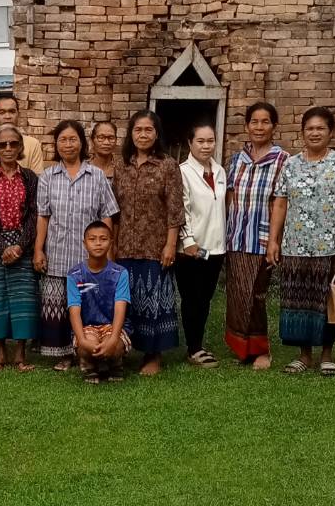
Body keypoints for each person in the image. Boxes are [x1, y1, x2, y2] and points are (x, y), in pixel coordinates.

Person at [266, 106, 335, 376]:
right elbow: (280, 204)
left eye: (320, 128)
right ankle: (303, 354)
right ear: (302, 132)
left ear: (330, 132)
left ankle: (327, 354)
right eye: (310, 128)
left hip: (328, 247)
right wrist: (273, 240)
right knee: (298, 301)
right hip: (295, 246)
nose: (314, 133)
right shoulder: (290, 165)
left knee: (327, 302)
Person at [34, 119, 119, 371]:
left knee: (88, 305)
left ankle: (89, 350)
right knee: (59, 307)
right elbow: (43, 215)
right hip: (58, 252)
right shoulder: (49, 176)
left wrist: (107, 251)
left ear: (82, 143)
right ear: (56, 144)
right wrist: (39, 249)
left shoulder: (97, 176)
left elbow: (107, 215)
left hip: (88, 256)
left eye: (73, 139)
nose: (68, 144)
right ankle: (63, 353)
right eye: (63, 140)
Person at [112, 109, 184, 376]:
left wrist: (170, 244)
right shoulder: (122, 166)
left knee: (153, 300)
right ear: (131, 134)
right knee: (126, 300)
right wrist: (113, 244)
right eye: (138, 130)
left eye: (148, 130)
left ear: (156, 134)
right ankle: (123, 349)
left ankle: (153, 354)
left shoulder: (167, 165)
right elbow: (114, 208)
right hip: (125, 246)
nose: (143, 135)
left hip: (155, 247)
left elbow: (175, 209)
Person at [224, 102, 288, 370]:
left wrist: (274, 240)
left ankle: (262, 350)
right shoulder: (237, 159)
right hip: (236, 237)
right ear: (246, 126)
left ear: (274, 126)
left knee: (256, 295)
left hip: (262, 240)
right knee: (238, 295)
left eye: (265, 122)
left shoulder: (282, 160)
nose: (259, 127)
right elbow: (228, 197)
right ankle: (242, 348)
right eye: (254, 122)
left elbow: (279, 202)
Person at [0, 123, 39, 372]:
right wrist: (3, 246)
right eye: (2, 144)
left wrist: (20, 247)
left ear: (21, 147)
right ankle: (0, 354)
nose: (8, 148)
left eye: (13, 143)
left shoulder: (30, 178)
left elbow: (35, 215)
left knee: (23, 300)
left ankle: (21, 355)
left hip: (23, 246)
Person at [176, 121, 227, 367]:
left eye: (210, 141)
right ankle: (193, 348)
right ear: (190, 143)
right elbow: (181, 209)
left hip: (215, 248)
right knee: (192, 298)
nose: (206, 146)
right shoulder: (183, 171)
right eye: (200, 141)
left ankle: (198, 343)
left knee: (205, 299)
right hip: (192, 250)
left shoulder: (219, 171)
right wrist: (188, 241)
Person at [67, 220, 131, 384]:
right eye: (92, 239)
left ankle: (115, 364)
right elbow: (74, 310)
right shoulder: (74, 274)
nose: (98, 243)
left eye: (103, 239)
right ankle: (89, 366)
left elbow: (120, 309)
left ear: (111, 242)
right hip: (87, 328)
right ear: (84, 243)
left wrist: (113, 339)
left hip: (111, 326)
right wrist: (82, 340)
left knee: (114, 345)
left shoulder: (119, 273)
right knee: (88, 344)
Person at [0, 94, 46, 172]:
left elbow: (37, 178)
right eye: (2, 112)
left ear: (18, 115)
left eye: (12, 112)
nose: (7, 116)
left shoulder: (33, 144)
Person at [89, 119, 119, 195]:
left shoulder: (121, 169)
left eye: (111, 138)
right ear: (92, 141)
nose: (106, 142)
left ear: (116, 141)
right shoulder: (83, 169)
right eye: (101, 138)